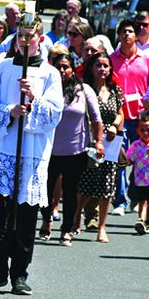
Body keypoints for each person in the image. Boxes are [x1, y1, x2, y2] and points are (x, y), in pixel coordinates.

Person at [0, 18, 63, 295]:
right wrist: (11, 110)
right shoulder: (1, 69)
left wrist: (34, 99)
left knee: (25, 215)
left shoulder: (50, 74)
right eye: (21, 36)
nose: (26, 41)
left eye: (31, 36)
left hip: (32, 151)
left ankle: (20, 273)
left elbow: (54, 113)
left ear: (40, 40)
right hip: (3, 149)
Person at [41, 48, 101, 247]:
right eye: (58, 67)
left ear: (73, 70)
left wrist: (98, 141)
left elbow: (96, 119)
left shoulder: (83, 90)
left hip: (75, 151)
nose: (62, 71)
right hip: (49, 150)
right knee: (46, 191)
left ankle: (66, 229)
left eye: (66, 67)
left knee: (70, 191)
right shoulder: (47, 89)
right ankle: (46, 221)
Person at [109, 18, 149, 216]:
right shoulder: (111, 60)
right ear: (119, 35)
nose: (127, 35)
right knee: (120, 159)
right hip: (119, 116)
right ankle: (120, 200)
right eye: (123, 31)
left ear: (136, 36)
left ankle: (135, 196)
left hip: (141, 117)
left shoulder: (147, 61)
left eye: (130, 31)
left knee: (142, 161)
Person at [73, 52, 123, 243]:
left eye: (105, 66)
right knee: (86, 182)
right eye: (98, 65)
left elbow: (120, 113)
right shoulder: (84, 89)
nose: (102, 69)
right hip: (89, 140)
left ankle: (102, 227)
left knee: (107, 185)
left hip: (110, 141)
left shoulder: (115, 90)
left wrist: (114, 125)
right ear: (91, 68)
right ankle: (77, 217)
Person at [124, 113, 149, 235]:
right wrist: (123, 157)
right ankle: (141, 220)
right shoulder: (135, 145)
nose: (145, 133)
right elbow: (129, 160)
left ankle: (147, 221)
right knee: (142, 199)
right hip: (140, 178)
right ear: (138, 131)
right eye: (142, 130)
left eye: (148, 130)